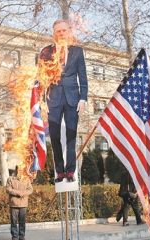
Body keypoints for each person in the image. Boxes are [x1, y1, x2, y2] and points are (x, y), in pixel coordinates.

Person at [39, 19, 88, 183]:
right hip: (53, 99)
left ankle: (70, 171)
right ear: (54, 33)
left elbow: (83, 77)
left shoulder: (77, 51)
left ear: (69, 32)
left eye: (64, 30)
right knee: (54, 136)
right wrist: (42, 101)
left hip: (73, 98)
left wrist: (83, 99)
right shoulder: (46, 52)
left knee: (71, 135)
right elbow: (41, 78)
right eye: (58, 31)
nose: (61, 33)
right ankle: (59, 171)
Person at [6, 168, 33, 240]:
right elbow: (8, 189)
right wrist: (18, 193)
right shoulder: (10, 179)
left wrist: (23, 193)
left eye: (22, 170)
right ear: (16, 170)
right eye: (19, 170)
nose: (20, 171)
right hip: (14, 204)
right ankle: (14, 237)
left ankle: (22, 237)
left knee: (22, 221)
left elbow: (30, 190)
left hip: (23, 204)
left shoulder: (26, 179)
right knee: (14, 222)